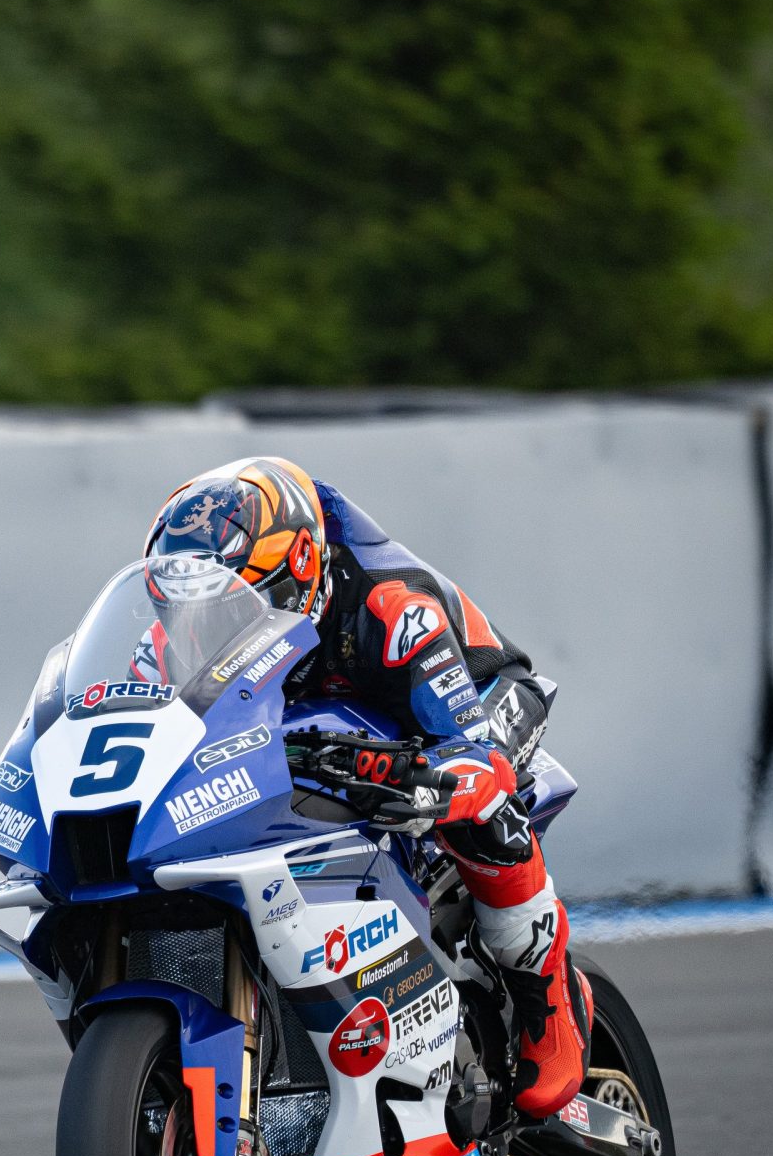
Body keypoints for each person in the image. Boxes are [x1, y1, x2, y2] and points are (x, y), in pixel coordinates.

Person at [143, 456, 590, 1120]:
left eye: (233, 606)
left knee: (480, 808)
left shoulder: (392, 608)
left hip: (472, 699)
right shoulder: (171, 641)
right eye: (193, 611)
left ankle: (547, 1002)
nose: (208, 629)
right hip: (325, 729)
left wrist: (425, 776)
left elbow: (475, 753)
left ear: (298, 571)